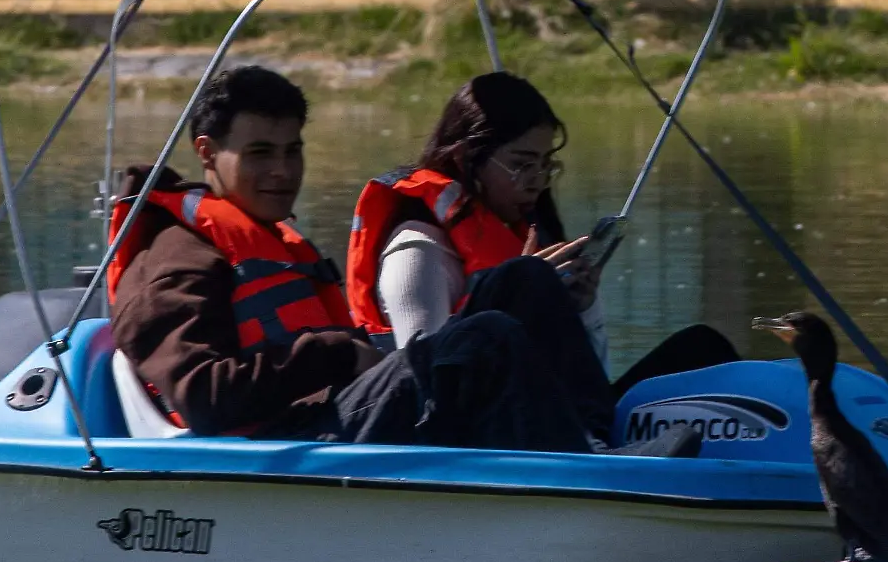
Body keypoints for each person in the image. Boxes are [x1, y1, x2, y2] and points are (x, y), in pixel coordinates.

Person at [106, 66, 678, 455]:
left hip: (335, 410)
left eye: (293, 151)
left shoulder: (273, 239)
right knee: (488, 337)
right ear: (207, 152)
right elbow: (203, 399)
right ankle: (583, 471)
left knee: (524, 280)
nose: (283, 172)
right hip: (292, 439)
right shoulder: (175, 256)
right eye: (260, 154)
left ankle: (598, 444)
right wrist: (330, 353)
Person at [344, 71, 740, 409]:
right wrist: (524, 292)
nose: (536, 181)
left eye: (545, 164)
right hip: (486, 429)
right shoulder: (417, 251)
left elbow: (593, 379)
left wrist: (582, 310)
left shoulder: (528, 239)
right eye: (520, 165)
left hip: (565, 417)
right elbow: (431, 385)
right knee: (526, 281)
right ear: (466, 159)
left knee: (704, 349)